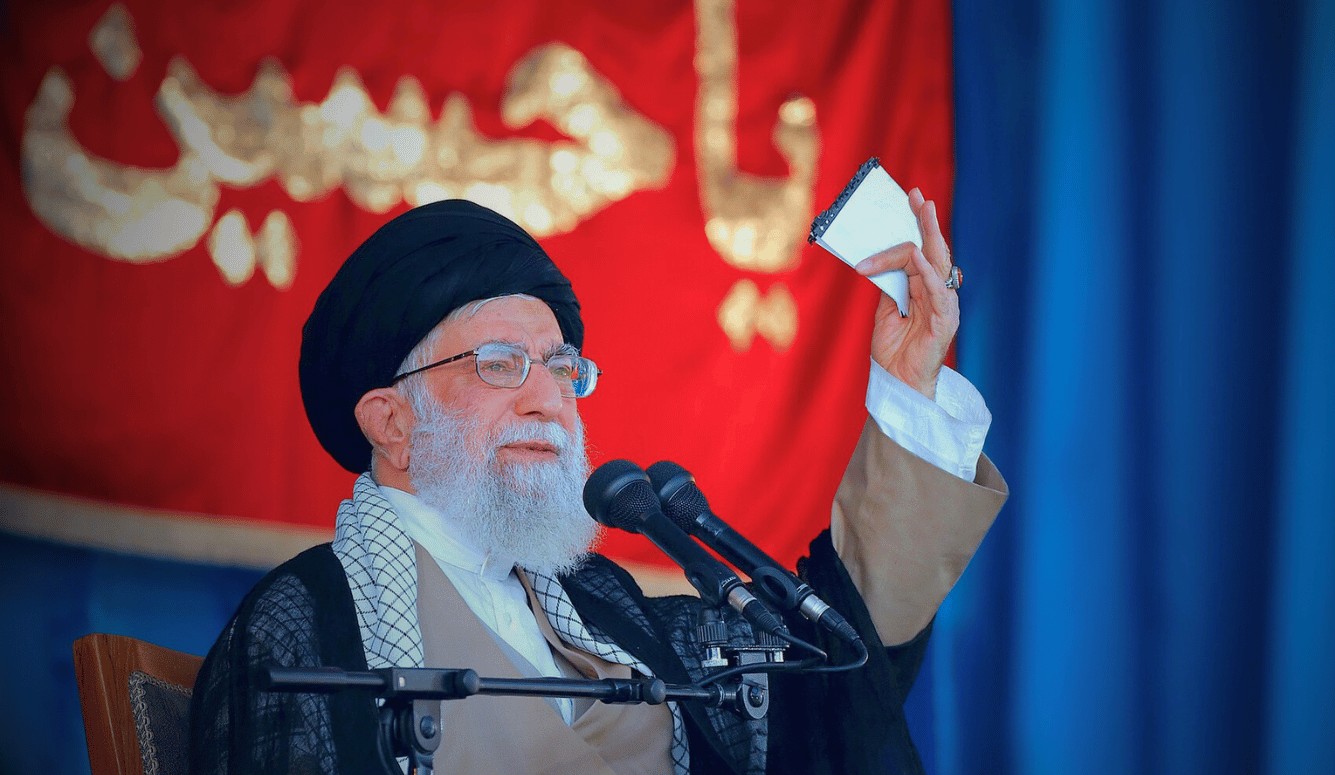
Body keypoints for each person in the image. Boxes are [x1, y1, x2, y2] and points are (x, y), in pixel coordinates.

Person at [188, 195, 1007, 775]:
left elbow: (824, 679)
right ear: (389, 422)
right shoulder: (305, 623)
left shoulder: (601, 606)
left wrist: (907, 388)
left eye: (560, 366)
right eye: (501, 364)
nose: (547, 396)